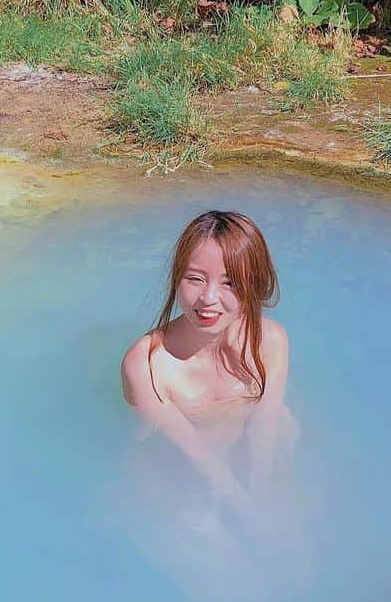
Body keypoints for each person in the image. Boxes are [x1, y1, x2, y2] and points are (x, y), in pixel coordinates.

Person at [120, 209, 296, 535]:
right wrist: (246, 513)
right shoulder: (146, 365)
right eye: (195, 278)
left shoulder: (270, 341)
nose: (209, 298)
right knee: (227, 575)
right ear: (176, 278)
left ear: (254, 284)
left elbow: (265, 423)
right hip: (174, 476)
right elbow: (194, 455)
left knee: (297, 556)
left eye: (230, 282)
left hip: (238, 460)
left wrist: (261, 496)